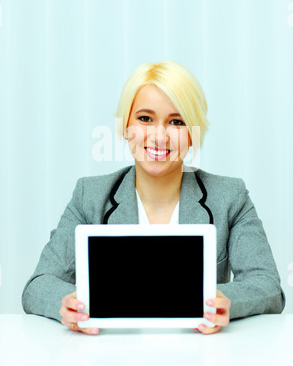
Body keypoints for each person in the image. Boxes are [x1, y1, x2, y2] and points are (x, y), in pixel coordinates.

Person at [22, 61, 285, 335]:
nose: (159, 136)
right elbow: (39, 284)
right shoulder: (90, 196)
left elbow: (266, 285)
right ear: (126, 127)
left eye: (176, 121)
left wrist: (226, 302)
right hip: (111, 354)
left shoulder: (230, 197)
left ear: (193, 135)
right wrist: (67, 305)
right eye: (145, 118)